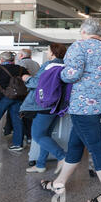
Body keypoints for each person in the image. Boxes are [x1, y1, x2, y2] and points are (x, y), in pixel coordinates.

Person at [39, 18, 101, 202]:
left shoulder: (80, 46)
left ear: (83, 31)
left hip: (82, 107)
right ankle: (59, 183)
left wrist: (56, 73)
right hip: (100, 106)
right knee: (75, 145)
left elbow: (72, 74)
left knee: (97, 146)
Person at [20, 43, 68, 173]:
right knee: (45, 135)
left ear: (53, 52)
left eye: (48, 50)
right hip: (57, 105)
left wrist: (26, 78)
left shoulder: (49, 65)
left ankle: (62, 156)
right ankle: (41, 164)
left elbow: (38, 83)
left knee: (37, 135)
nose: (47, 52)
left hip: (43, 104)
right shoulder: (64, 65)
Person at [0, 52, 29, 152]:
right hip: (18, 98)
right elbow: (28, 80)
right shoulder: (21, 69)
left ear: (1, 59)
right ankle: (18, 144)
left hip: (2, 98)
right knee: (17, 120)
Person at [4, 49, 41, 143]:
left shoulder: (21, 63)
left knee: (20, 114)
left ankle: (20, 134)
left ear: (21, 55)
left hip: (22, 92)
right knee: (29, 114)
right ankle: (29, 136)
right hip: (33, 92)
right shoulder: (36, 63)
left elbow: (19, 78)